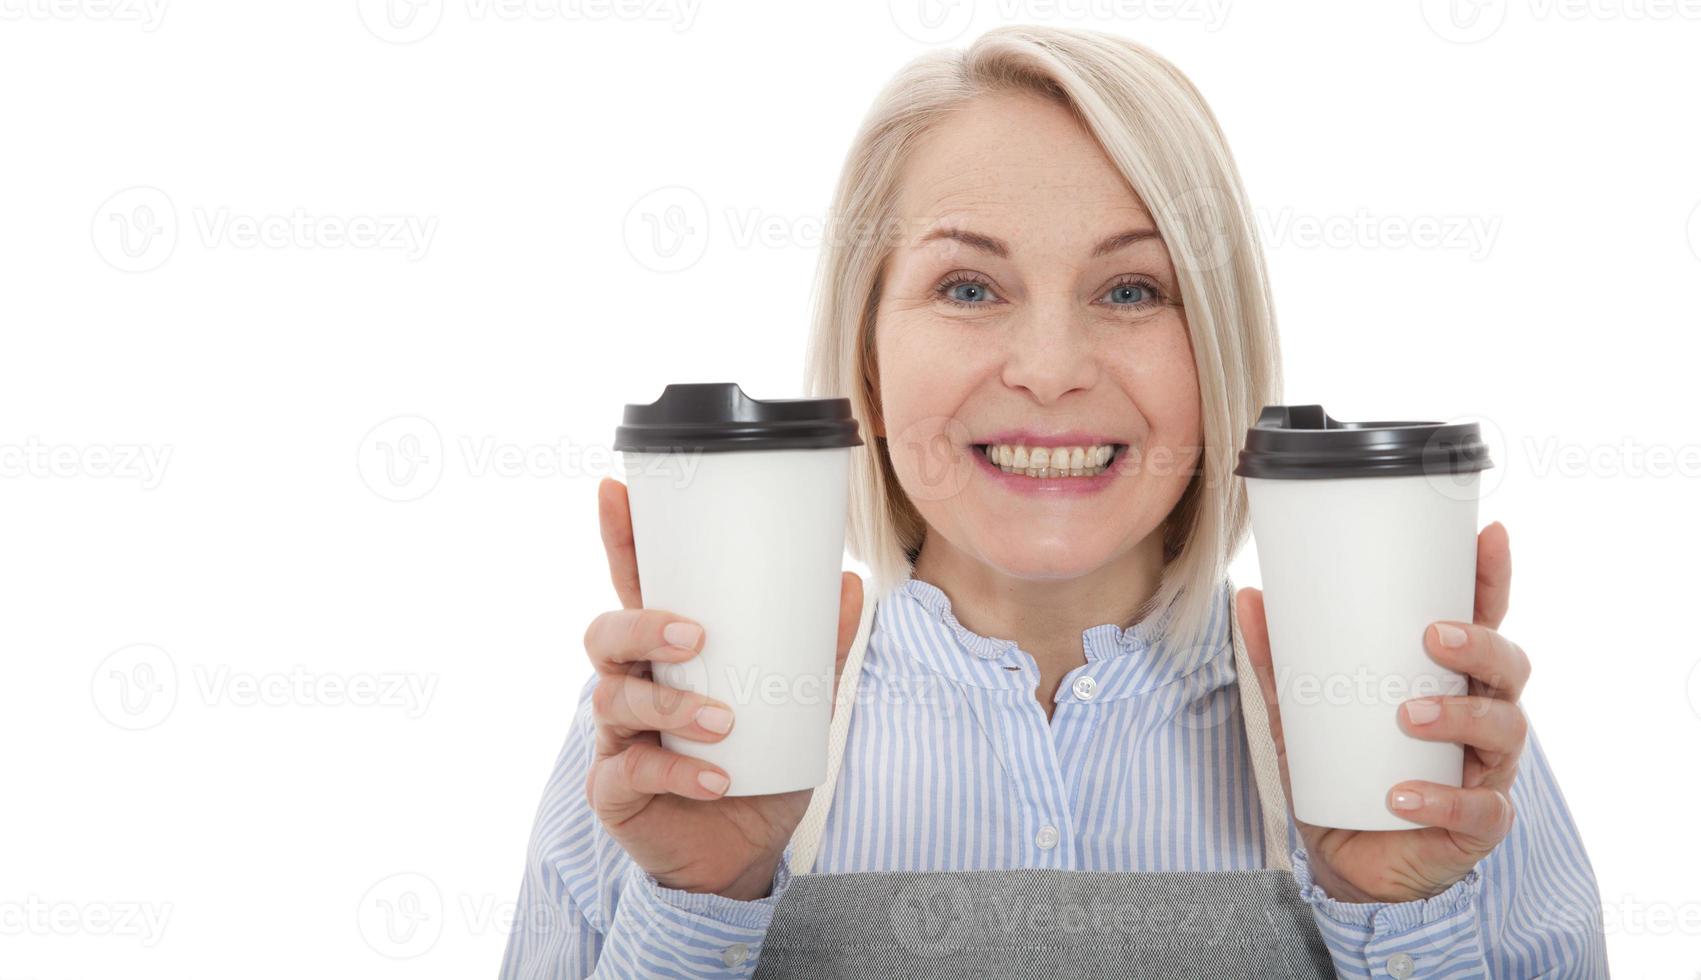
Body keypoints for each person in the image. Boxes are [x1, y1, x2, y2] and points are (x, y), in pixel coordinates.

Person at [499, 25, 1607, 978]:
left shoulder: (1428, 742)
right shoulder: (675, 737)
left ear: (1216, 354)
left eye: (1130, 288)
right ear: (869, 364)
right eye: (969, 286)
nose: (1049, 365)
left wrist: (1397, 911)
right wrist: (705, 899)